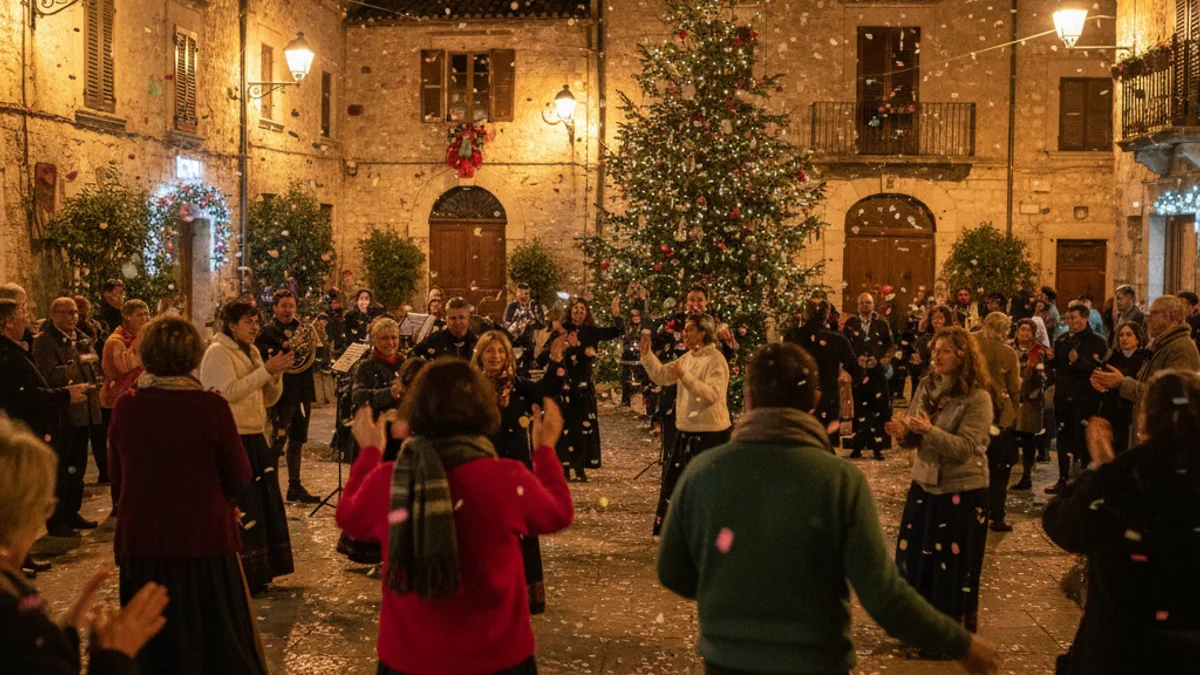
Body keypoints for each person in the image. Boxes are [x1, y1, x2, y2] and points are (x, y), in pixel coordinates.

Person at [656, 342, 999, 675]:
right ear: (815, 401)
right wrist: (961, 644)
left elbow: (673, 571)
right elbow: (882, 595)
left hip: (728, 658)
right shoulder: (838, 479)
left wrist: (732, 592)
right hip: (815, 659)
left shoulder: (705, 472)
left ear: (748, 398)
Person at [336, 360, 574, 675]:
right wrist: (544, 451)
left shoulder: (392, 481)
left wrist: (369, 453)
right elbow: (558, 513)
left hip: (411, 657)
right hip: (496, 654)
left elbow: (349, 518)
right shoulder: (507, 478)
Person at [109, 316, 268, 675]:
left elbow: (117, 477)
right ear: (192, 357)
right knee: (212, 645)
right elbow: (239, 475)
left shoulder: (127, 406)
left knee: (153, 651)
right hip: (205, 542)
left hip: (144, 541)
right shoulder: (209, 407)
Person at [1043, 370, 1200, 675]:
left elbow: (1062, 524)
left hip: (1119, 646)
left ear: (1146, 418)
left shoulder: (1123, 475)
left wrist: (1102, 462)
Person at [0, 413, 170, 674]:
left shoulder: (13, 592)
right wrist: (116, 657)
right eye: (40, 508)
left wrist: (65, 636)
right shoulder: (14, 623)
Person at [885, 326, 996, 635]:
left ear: (962, 356)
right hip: (924, 484)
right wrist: (903, 434)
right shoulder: (926, 385)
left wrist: (927, 431)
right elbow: (914, 433)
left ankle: (947, 634)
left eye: (945, 350)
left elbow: (964, 448)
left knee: (949, 567)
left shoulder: (977, 397)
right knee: (916, 560)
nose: (937, 355)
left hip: (961, 489)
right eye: (935, 350)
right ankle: (917, 627)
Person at [200, 301, 296, 593]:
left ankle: (262, 570)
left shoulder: (251, 350)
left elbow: (266, 399)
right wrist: (266, 371)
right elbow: (226, 393)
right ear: (231, 325)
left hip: (255, 435)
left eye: (256, 321)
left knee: (262, 504)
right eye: (247, 322)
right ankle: (241, 572)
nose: (255, 327)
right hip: (234, 435)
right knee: (244, 507)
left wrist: (274, 375)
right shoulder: (218, 352)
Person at [471, 330, 566, 614]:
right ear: (481, 355)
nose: (495, 357)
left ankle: (523, 594)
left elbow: (550, 391)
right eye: (490, 351)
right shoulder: (470, 388)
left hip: (516, 470)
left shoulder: (519, 387)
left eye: (500, 352)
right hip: (483, 467)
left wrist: (556, 361)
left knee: (520, 532)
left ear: (508, 356)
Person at [0, 296, 89, 564]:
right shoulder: (5, 354)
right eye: (23, 312)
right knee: (19, 497)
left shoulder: (14, 348)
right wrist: (65, 395)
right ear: (7, 323)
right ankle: (16, 560)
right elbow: (28, 395)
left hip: (30, 427)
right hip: (20, 431)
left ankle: (21, 558)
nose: (27, 318)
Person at [640, 313, 732, 536]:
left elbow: (712, 395)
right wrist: (647, 355)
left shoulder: (715, 360)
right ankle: (680, 532)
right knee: (679, 488)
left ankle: (708, 532)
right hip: (686, 431)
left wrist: (685, 376)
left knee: (707, 490)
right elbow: (662, 376)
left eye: (690, 329)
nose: (685, 334)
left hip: (710, 434)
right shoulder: (688, 357)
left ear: (703, 333)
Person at [33, 298, 104, 536]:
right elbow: (48, 375)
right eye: (65, 313)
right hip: (64, 415)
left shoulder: (81, 338)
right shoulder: (45, 341)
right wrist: (80, 367)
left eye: (74, 312)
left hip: (84, 411)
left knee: (78, 467)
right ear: (53, 314)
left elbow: (94, 366)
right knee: (62, 469)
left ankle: (72, 512)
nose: (72, 317)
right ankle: (57, 519)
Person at [1091, 295, 1200, 448]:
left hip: (1166, 443)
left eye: (1153, 314)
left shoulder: (1180, 349)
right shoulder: (1163, 346)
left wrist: (1122, 383)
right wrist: (1111, 382)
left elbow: (1169, 398)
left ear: (1171, 316)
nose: (1147, 319)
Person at [538, 295, 625, 481]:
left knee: (582, 428)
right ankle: (564, 467)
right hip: (563, 386)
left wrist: (616, 313)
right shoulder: (562, 330)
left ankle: (579, 466)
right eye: (576, 308)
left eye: (582, 309)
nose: (579, 312)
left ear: (587, 313)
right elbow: (543, 356)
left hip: (583, 387)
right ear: (570, 311)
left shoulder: (591, 332)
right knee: (563, 426)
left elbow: (618, 332)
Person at [256, 289, 321, 504]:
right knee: (278, 439)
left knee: (298, 438)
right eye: (283, 306)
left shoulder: (302, 328)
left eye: (291, 306)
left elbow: (314, 352)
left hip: (302, 387)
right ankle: (271, 487)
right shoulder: (267, 331)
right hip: (282, 390)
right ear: (274, 308)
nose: (288, 310)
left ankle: (294, 485)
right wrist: (282, 349)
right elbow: (264, 355)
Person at [1044, 304, 1107, 494]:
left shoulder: (1096, 341)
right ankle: (1063, 478)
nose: (1070, 322)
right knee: (1063, 438)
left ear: (1085, 318)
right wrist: (1052, 358)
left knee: (1083, 440)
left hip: (1084, 397)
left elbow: (1098, 368)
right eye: (1068, 319)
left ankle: (1084, 481)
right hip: (1064, 396)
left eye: (1074, 318)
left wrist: (1077, 361)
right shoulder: (1062, 339)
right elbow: (1059, 367)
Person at [783, 298, 856, 444]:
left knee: (801, 440)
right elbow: (854, 368)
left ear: (805, 313)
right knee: (824, 441)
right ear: (827, 314)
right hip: (827, 395)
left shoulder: (792, 337)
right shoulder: (837, 339)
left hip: (800, 395)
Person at [976, 312, 1021, 532]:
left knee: (975, 464)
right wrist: (1016, 412)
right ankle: (997, 515)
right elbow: (1014, 388)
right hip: (1000, 415)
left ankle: (975, 511)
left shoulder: (971, 344)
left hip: (974, 414)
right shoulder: (1007, 353)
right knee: (999, 469)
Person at [100, 300, 151, 485]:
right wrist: (140, 343)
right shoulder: (116, 341)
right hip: (119, 400)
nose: (145, 318)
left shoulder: (142, 338)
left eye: (146, 314)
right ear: (127, 317)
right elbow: (124, 366)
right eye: (140, 315)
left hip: (140, 400)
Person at [842, 292, 894, 460]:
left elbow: (891, 346)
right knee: (859, 410)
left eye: (868, 302)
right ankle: (857, 446)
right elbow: (845, 345)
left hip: (877, 373)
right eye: (861, 302)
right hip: (858, 374)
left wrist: (879, 361)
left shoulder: (881, 323)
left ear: (873, 305)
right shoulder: (850, 324)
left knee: (879, 409)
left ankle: (878, 447)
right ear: (857, 306)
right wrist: (856, 360)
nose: (865, 305)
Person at [1094, 321, 1149, 456]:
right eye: (1121, 335)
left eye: (1129, 335)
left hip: (1132, 409)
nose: (1124, 338)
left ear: (1138, 338)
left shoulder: (1145, 359)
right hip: (1112, 409)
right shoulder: (1112, 357)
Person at [1010, 318, 1048, 491]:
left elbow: (1045, 375)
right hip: (1011, 398)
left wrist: (1032, 371)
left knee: (1027, 439)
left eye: (1028, 330)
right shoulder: (1010, 348)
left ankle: (1027, 476)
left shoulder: (1039, 351)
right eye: (1022, 330)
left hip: (1030, 399)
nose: (1025, 333)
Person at [910, 306, 955, 405]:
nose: (937, 321)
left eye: (940, 318)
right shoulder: (924, 338)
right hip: (927, 377)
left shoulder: (952, 338)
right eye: (934, 318)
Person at [412, 297, 477, 359]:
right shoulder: (435, 339)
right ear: (446, 319)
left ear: (468, 318)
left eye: (461, 317)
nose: (457, 322)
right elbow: (412, 355)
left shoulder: (476, 343)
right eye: (453, 318)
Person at [503, 283, 546, 378]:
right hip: (515, 340)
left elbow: (542, 324)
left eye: (526, 293)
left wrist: (531, 316)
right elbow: (506, 325)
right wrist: (519, 323)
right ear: (516, 293)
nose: (523, 296)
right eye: (521, 293)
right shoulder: (512, 307)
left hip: (531, 340)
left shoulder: (535, 306)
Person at [618, 305, 651, 410]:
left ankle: (647, 403)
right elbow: (624, 339)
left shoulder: (644, 326)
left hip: (641, 355)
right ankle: (626, 401)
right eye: (633, 315)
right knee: (626, 377)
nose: (635, 317)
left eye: (637, 315)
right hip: (629, 355)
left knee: (644, 378)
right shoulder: (629, 327)